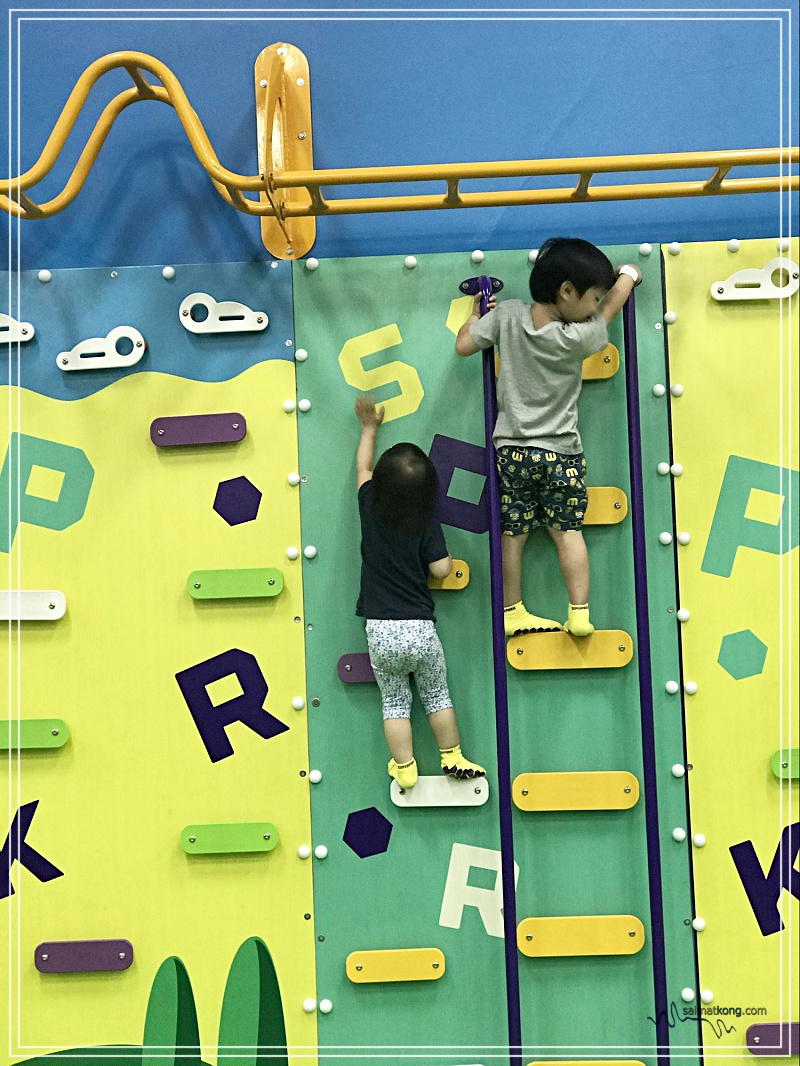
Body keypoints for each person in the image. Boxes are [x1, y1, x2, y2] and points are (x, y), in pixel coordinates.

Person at [455, 237, 641, 638]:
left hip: (512, 450)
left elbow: (464, 345)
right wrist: (629, 276)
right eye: (591, 297)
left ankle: (512, 608)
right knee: (567, 532)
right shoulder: (579, 337)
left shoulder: (505, 316)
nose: (594, 306)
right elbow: (611, 309)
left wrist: (474, 315)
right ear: (567, 291)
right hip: (561, 453)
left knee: (514, 533)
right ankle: (578, 612)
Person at [354, 395, 485, 790]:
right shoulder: (426, 521)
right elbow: (441, 568)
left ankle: (405, 766)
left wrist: (369, 428)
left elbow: (362, 468)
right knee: (437, 696)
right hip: (419, 630)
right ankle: (452, 755)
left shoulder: (368, 504)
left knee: (395, 704)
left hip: (380, 630)